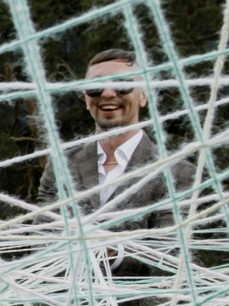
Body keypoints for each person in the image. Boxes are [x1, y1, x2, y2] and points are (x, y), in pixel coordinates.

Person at [30, 49, 196, 274]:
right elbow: (41, 241)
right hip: (65, 305)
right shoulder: (62, 163)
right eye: (96, 86)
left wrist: (112, 253)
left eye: (122, 83)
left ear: (143, 95)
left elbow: (170, 263)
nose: (107, 93)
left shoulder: (178, 173)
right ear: (85, 97)